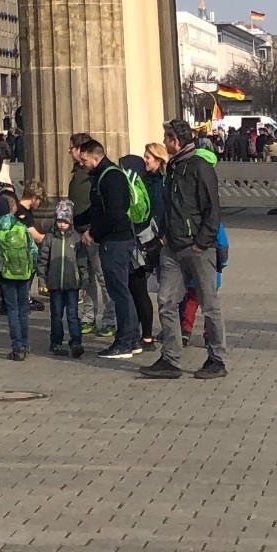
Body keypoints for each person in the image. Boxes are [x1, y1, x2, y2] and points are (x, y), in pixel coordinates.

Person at [144, 119, 226, 381]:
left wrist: (202, 242)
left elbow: (213, 209)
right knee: (166, 300)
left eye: (166, 139)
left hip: (198, 248)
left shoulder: (200, 167)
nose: (164, 143)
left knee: (209, 304)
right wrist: (166, 233)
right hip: (173, 246)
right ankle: (170, 358)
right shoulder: (174, 167)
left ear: (175, 141)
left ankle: (216, 358)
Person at [72, 137, 141, 359]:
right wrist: (78, 219)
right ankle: (131, 338)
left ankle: (125, 341)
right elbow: (97, 208)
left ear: (96, 156)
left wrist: (93, 233)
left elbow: (114, 213)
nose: (82, 164)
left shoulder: (110, 176)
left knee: (119, 292)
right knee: (121, 291)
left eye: (84, 160)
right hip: (115, 240)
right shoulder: (103, 175)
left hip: (116, 241)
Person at [0, 189, 39, 361]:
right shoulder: (21, 227)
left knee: (12, 310)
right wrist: (32, 270)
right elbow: (33, 250)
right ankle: (25, 343)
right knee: (23, 310)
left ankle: (17, 347)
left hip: (6, 274)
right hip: (24, 273)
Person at [65, 141, 107, 333]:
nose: (70, 151)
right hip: (80, 230)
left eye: (72, 147)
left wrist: (93, 230)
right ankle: (89, 316)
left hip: (93, 233)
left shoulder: (95, 176)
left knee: (102, 277)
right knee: (87, 277)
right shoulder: (78, 174)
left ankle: (110, 319)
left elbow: (97, 207)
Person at [38, 199, 84, 359]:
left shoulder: (76, 238)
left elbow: (82, 261)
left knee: (73, 314)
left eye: (65, 221)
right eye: (59, 221)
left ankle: (76, 341)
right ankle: (56, 342)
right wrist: (42, 280)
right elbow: (42, 260)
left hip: (72, 284)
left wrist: (84, 281)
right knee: (56, 314)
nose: (62, 224)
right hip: (55, 284)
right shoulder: (50, 238)